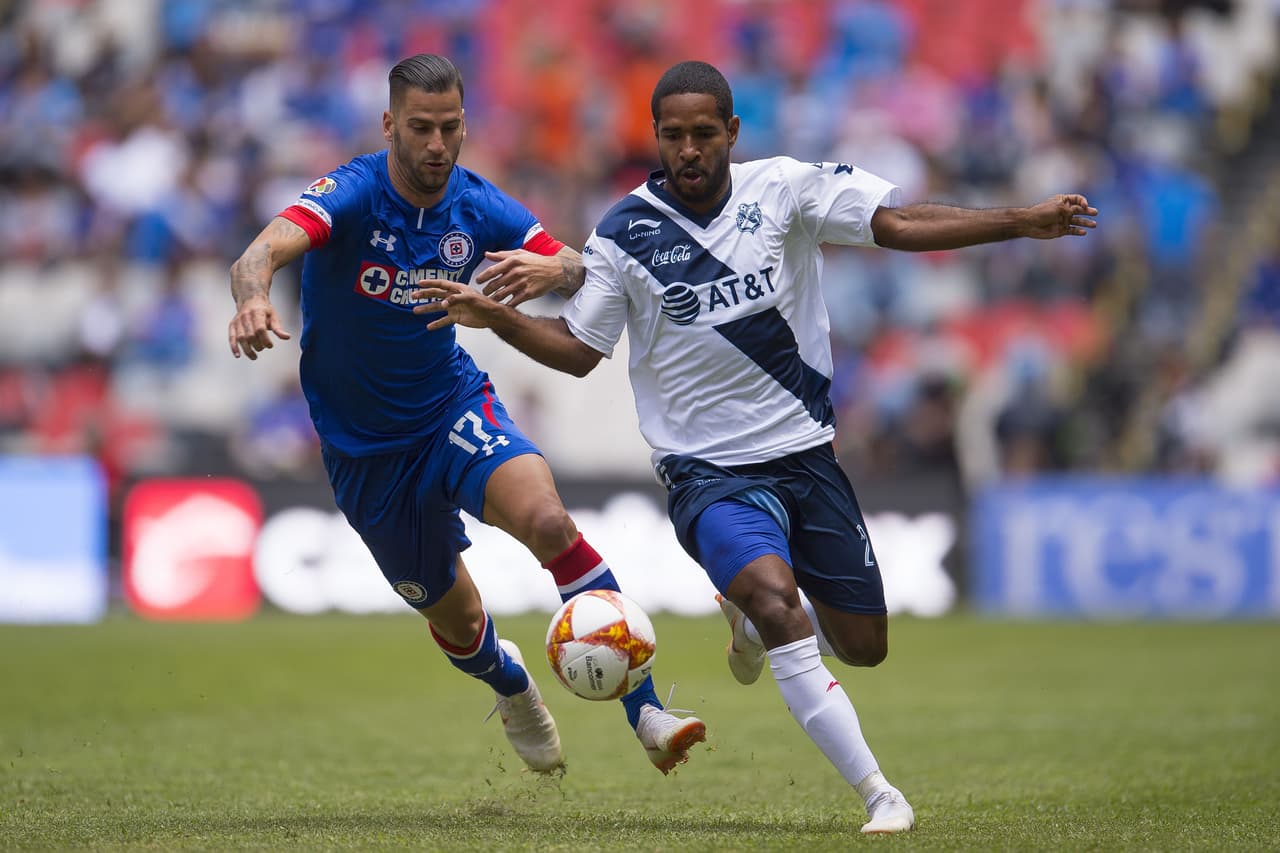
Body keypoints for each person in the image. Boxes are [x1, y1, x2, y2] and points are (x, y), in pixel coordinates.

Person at [410, 60, 1098, 832]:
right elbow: (577, 348)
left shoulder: (787, 188)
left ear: (732, 132)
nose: (689, 150)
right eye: (673, 136)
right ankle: (880, 792)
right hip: (706, 473)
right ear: (658, 139)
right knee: (780, 603)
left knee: (864, 645)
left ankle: (747, 620)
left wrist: (1021, 221)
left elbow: (897, 225)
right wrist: (495, 316)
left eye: (705, 134)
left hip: (807, 456)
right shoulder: (625, 230)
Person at [225, 53, 706, 776]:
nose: (437, 145)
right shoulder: (350, 195)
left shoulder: (480, 206)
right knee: (458, 618)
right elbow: (258, 254)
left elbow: (581, 267)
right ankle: (510, 684)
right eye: (420, 127)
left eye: (451, 127)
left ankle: (646, 712)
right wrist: (254, 297)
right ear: (390, 123)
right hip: (365, 456)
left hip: (450, 407)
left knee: (549, 521)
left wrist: (560, 269)